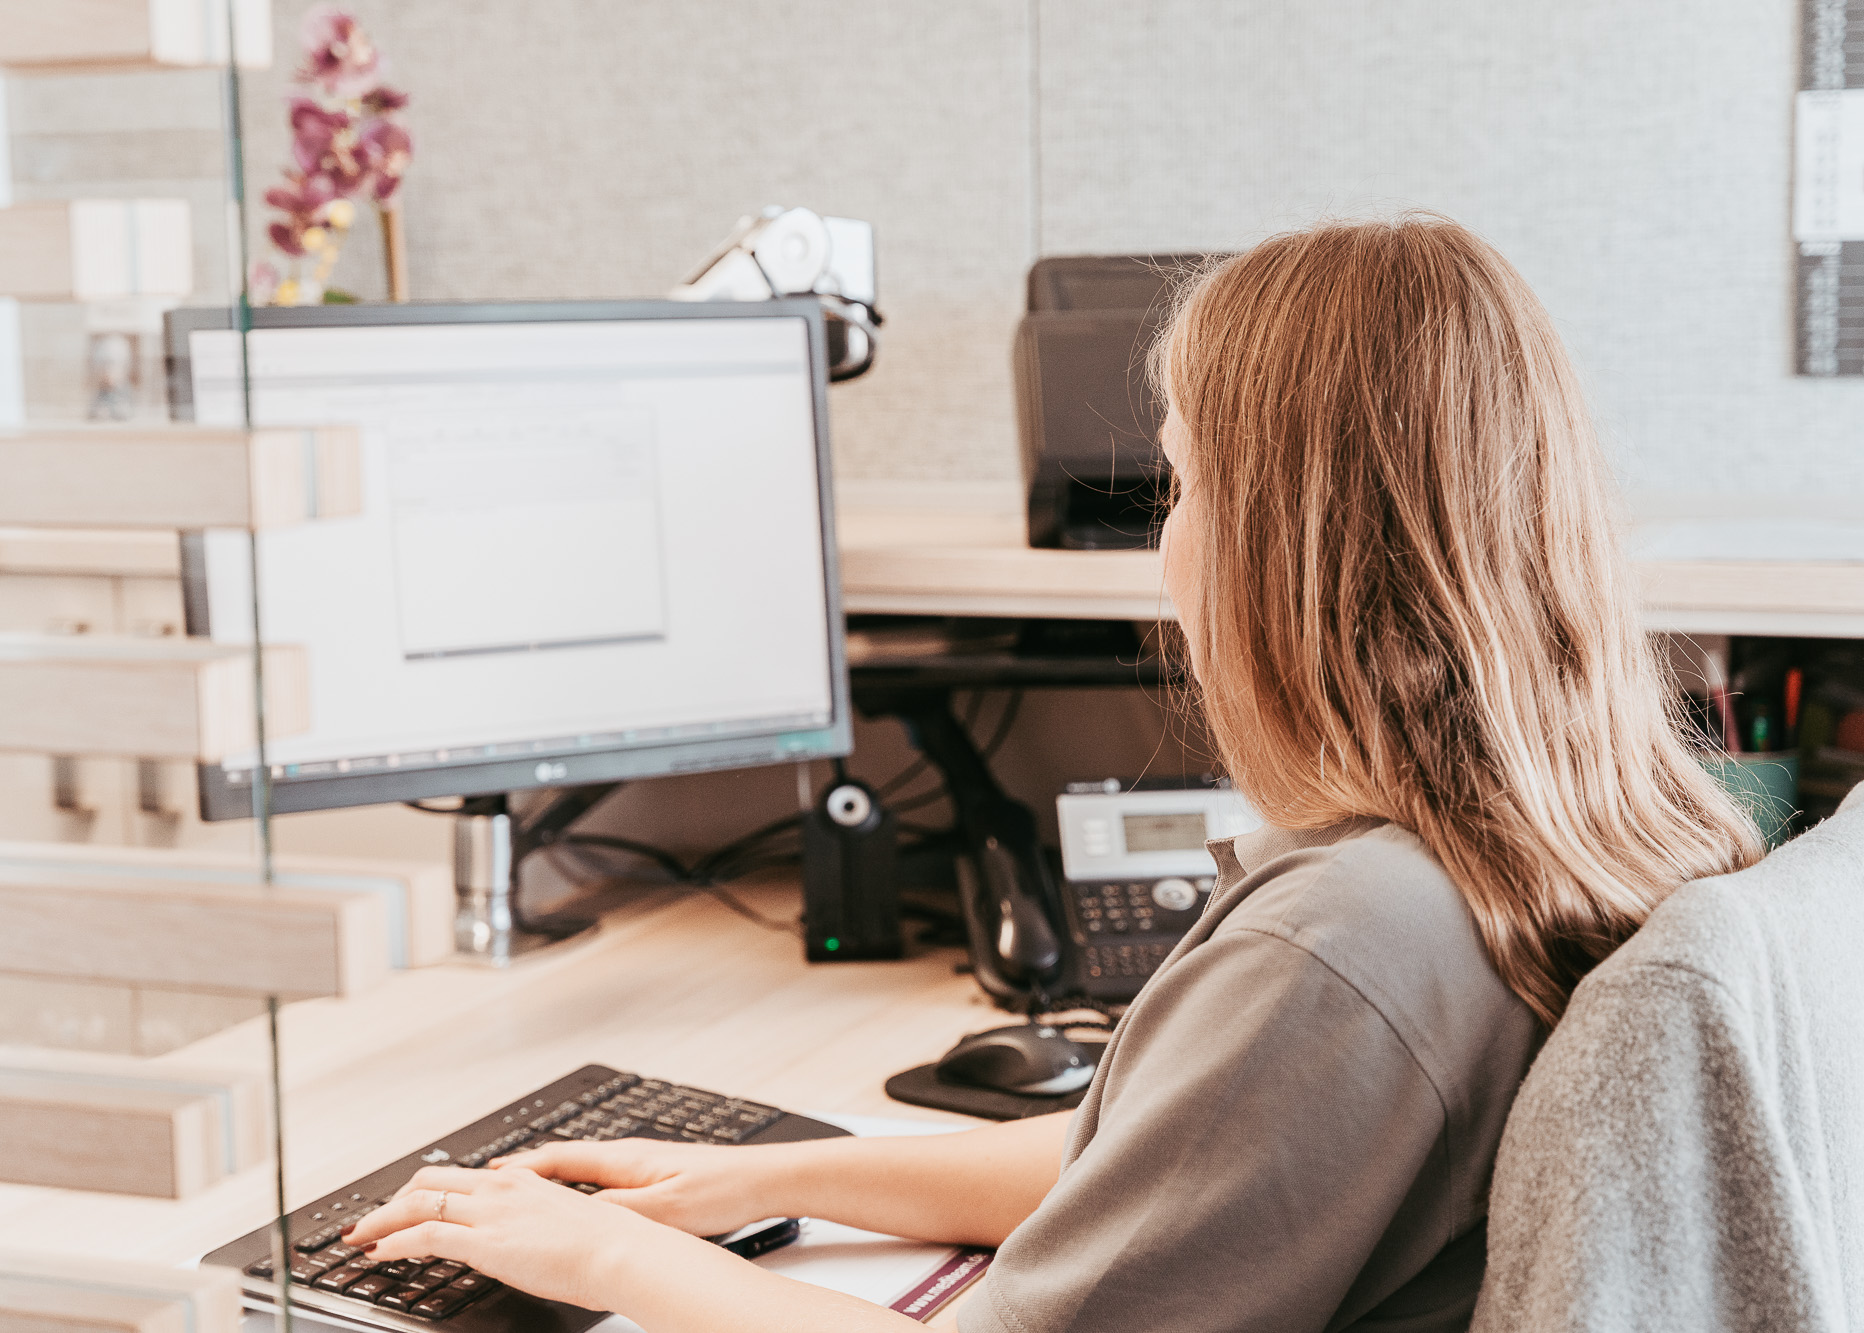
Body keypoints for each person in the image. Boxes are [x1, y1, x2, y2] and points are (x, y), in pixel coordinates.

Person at [343, 215, 1763, 1332]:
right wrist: (760, 1175)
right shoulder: (1564, 836)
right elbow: (1137, 1168)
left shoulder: (1348, 947)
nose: (1170, 538)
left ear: (1283, 546)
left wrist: (600, 1256)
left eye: (1181, 481)